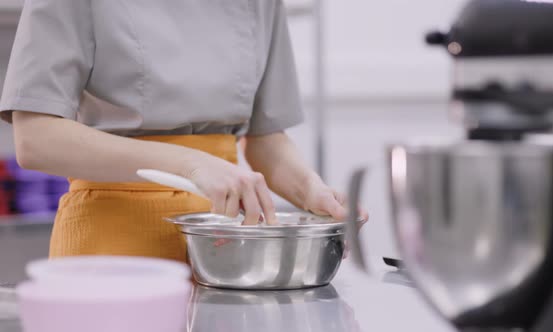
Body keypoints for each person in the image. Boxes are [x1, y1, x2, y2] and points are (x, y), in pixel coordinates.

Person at [0, 0, 365, 262]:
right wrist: (189, 164)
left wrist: (312, 191)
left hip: (224, 249)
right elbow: (36, 138)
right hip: (112, 248)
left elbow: (266, 138)